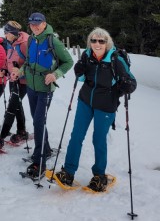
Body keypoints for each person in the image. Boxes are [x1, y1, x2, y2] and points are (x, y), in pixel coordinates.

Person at [55, 28, 136, 192]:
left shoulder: (116, 60)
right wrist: (79, 71)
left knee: (98, 139)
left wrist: (127, 85)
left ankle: (99, 175)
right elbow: (83, 78)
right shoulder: (87, 56)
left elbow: (132, 82)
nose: (97, 44)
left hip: (106, 105)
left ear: (107, 43)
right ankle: (68, 172)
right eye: (94, 40)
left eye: (101, 41)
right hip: (85, 101)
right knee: (76, 136)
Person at [11, 12, 73, 179]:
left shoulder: (53, 41)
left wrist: (56, 74)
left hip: (46, 88)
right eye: (32, 24)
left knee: (38, 122)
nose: (35, 26)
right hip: (31, 86)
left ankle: (39, 162)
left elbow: (68, 62)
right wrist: (20, 71)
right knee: (37, 119)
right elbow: (29, 62)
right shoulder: (31, 39)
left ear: (44, 24)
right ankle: (45, 150)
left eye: (38, 23)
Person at [0, 21, 29, 144]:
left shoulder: (24, 44)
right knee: (16, 106)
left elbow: (31, 64)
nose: (5, 35)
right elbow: (8, 60)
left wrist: (20, 72)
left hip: (23, 81)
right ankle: (22, 131)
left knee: (11, 107)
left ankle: (1, 136)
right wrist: (4, 69)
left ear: (13, 33)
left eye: (6, 32)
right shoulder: (10, 43)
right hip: (12, 79)